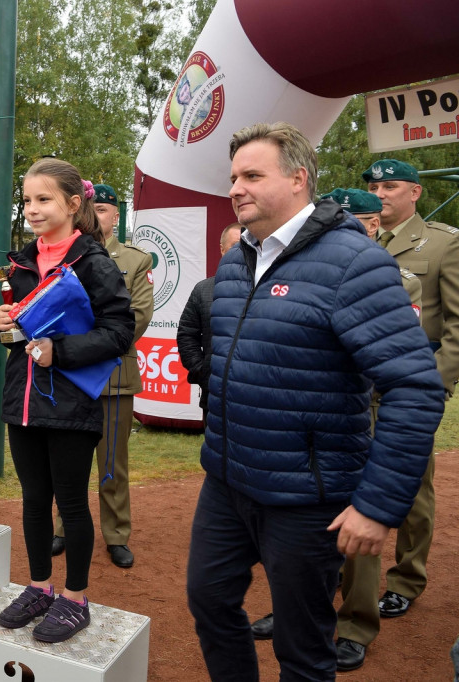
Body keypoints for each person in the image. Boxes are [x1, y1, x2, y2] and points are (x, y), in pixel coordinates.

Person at [186, 121, 443, 681]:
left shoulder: (354, 262)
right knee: (208, 603)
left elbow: (415, 387)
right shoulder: (235, 262)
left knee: (302, 648)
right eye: (233, 177)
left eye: (253, 175)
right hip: (228, 483)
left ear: (300, 179)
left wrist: (377, 505)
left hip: (307, 497)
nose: (236, 187)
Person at [250, 187, 426, 671]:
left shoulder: (385, 263)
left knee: (365, 516)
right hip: (323, 408)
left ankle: (356, 623)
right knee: (305, 530)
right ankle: (296, 609)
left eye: (366, 217)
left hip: (377, 404)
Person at [0, 158, 134, 643]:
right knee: (34, 499)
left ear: (74, 205)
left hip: (73, 404)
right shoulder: (22, 262)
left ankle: (75, 597)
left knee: (71, 503)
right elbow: (19, 337)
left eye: (44, 199)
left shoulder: (93, 262)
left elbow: (119, 332)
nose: (32, 209)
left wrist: (62, 351)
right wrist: (5, 328)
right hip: (24, 401)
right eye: (27, 200)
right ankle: (39, 586)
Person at [365, 158, 459, 621]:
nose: (380, 194)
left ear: (415, 192)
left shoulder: (443, 243)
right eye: (375, 187)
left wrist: (430, 386)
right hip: (362, 383)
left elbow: (458, 326)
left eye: (390, 186)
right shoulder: (358, 238)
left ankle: (407, 577)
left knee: (412, 485)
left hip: (412, 383)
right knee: (351, 474)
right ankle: (351, 575)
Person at [50, 182, 153, 569]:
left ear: (115, 215)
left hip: (113, 375)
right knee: (65, 459)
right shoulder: (63, 254)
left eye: (105, 210)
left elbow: (136, 318)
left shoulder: (134, 261)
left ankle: (115, 534)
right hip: (70, 373)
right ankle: (62, 527)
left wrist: (88, 340)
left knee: (112, 462)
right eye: (92, 210)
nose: (98, 217)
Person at [176, 223, 241, 423]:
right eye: (235, 246)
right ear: (222, 250)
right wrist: (203, 371)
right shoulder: (203, 290)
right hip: (214, 395)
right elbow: (187, 335)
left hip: (258, 396)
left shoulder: (267, 288)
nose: (241, 252)